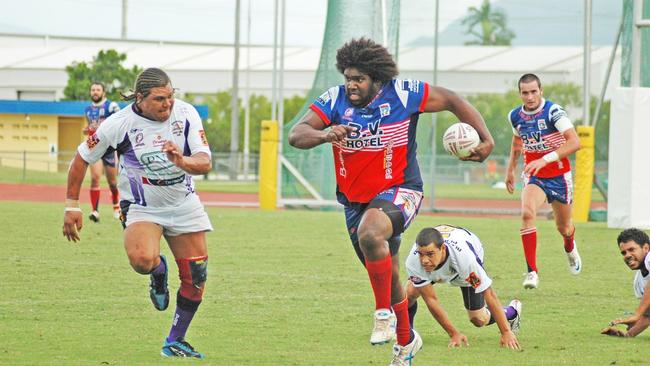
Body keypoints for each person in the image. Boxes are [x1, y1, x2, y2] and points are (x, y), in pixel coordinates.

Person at [288, 38, 494, 365]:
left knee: (371, 235)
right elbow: (296, 134)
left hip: (401, 190)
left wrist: (486, 138)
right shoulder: (334, 100)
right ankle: (406, 343)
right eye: (348, 78)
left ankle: (382, 313)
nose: (352, 85)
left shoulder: (403, 94)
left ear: (377, 78)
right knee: (389, 275)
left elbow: (453, 100)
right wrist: (326, 134)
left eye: (360, 79)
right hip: (355, 202)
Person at [63, 68, 212, 359]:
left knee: (196, 279)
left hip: (184, 204)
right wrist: (71, 205)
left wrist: (181, 160)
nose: (167, 104)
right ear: (140, 98)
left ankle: (175, 341)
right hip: (143, 206)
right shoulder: (118, 124)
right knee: (142, 260)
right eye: (159, 99)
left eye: (170, 97)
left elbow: (205, 162)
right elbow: (81, 158)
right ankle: (158, 272)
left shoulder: (187, 114)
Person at [505, 73, 582, 289]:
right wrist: (510, 170)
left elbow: (574, 142)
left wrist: (545, 159)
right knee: (527, 213)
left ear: (541, 91)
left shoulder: (553, 112)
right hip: (534, 176)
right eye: (524, 93)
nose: (529, 97)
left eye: (533, 92)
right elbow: (517, 143)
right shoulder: (515, 116)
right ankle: (532, 272)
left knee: (564, 227)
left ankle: (569, 246)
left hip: (559, 176)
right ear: (519, 93)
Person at [405, 226, 521, 350]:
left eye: (430, 254)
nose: (424, 260)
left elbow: (488, 293)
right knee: (408, 293)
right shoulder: (414, 262)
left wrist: (506, 332)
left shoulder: (466, 262)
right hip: (438, 267)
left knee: (479, 319)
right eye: (421, 254)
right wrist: (453, 333)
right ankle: (409, 334)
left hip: (463, 271)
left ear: (442, 248)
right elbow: (431, 300)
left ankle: (512, 312)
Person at [601, 228, 650, 337]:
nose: (627, 255)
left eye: (632, 249)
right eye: (624, 252)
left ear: (646, 248)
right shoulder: (638, 282)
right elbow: (647, 316)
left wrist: (637, 315)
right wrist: (627, 335)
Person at [84, 82, 121, 222]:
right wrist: (88, 130)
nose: (95, 92)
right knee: (95, 178)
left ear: (103, 92)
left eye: (98, 89)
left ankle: (116, 206)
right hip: (94, 146)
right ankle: (95, 211)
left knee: (112, 182)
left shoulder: (111, 106)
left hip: (109, 146)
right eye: (93, 89)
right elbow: (90, 128)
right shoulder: (87, 109)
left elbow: (119, 123)